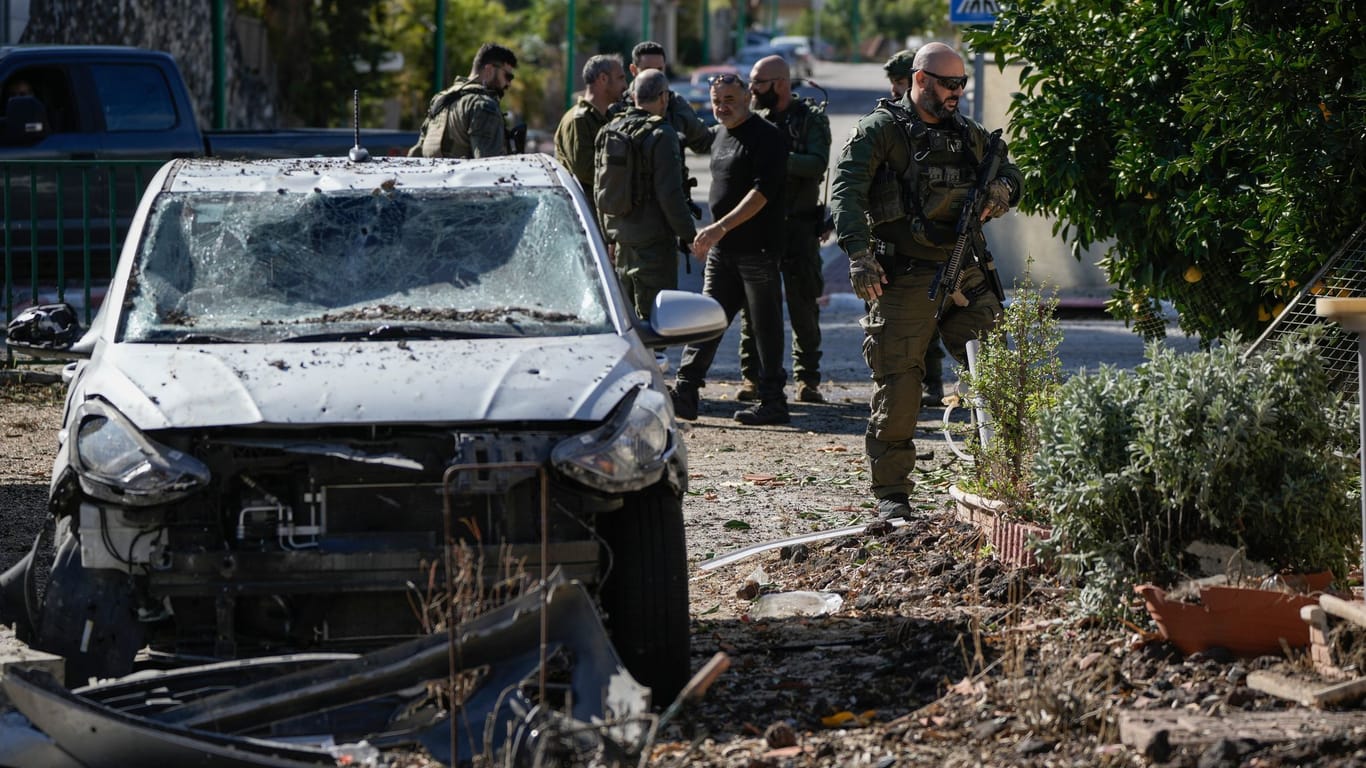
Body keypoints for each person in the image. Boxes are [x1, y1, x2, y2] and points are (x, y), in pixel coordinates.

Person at [829, 42, 1022, 520]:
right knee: (900, 384)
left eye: (962, 83)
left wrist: (1003, 190)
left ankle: (1005, 477)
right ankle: (892, 495)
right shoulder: (881, 131)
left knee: (997, 370)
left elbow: (1012, 172)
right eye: (948, 83)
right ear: (919, 80)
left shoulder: (968, 134)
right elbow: (846, 191)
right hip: (904, 276)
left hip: (964, 269)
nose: (957, 92)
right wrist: (858, 254)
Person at [670, 74, 788, 426]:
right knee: (707, 318)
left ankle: (773, 401)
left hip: (758, 249)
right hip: (725, 251)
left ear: (748, 97)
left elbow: (762, 193)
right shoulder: (721, 134)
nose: (722, 107)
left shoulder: (767, 137)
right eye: (716, 100)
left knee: (764, 326)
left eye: (729, 99)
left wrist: (719, 227)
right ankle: (686, 392)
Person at [734, 55, 832, 405]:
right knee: (756, 306)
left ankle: (808, 380)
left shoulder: (811, 120)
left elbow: (817, 163)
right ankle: (753, 377)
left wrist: (776, 159)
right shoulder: (752, 120)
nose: (752, 90)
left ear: (780, 83)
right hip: (760, 228)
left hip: (800, 227)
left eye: (758, 83)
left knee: (804, 304)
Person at [594, 68, 697, 321]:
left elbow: (600, 189)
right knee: (658, 325)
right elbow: (670, 195)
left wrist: (607, 237)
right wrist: (690, 236)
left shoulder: (608, 130)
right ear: (663, 97)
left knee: (627, 325)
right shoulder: (662, 134)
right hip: (653, 247)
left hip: (621, 245)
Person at [409, 43, 518, 159]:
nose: (509, 83)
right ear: (489, 70)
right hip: (462, 177)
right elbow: (489, 165)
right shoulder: (483, 105)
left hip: (434, 175)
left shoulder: (440, 98)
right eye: (508, 76)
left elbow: (417, 152)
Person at [554, 54, 628, 224]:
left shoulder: (607, 117)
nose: (625, 85)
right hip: (585, 217)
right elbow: (585, 171)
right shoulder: (578, 120)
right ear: (603, 79)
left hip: (602, 213)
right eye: (620, 78)